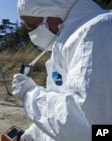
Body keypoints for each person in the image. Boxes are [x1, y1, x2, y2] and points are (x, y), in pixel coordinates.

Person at [12, 0, 112, 141]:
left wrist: (30, 95)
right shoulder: (69, 41)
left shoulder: (97, 30)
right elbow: (63, 101)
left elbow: (93, 129)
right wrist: (35, 134)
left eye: (32, 25)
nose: (32, 33)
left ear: (49, 10)